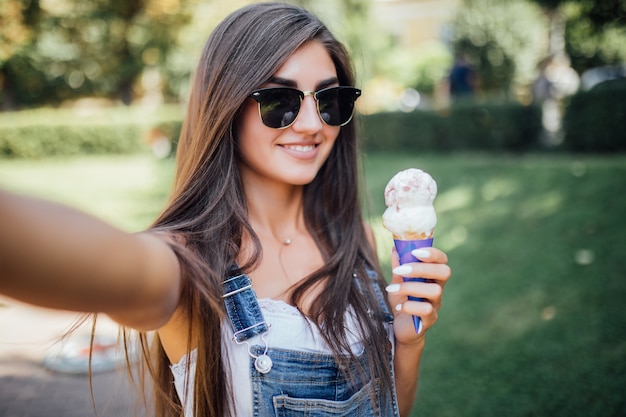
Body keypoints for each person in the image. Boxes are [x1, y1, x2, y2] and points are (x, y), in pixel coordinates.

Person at [0, 3, 451, 417]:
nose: (313, 125)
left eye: (330, 100)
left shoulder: (357, 241)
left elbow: (388, 407)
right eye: (280, 101)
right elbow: (86, 260)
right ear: (226, 106)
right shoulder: (188, 264)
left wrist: (408, 343)